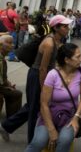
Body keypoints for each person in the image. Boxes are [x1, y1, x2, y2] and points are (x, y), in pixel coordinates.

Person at [0, 15, 71, 143]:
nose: (68, 29)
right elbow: (43, 68)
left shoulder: (57, 41)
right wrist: (45, 87)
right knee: (35, 110)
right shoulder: (49, 43)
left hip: (43, 76)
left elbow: (52, 64)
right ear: (56, 27)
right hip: (37, 76)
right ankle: (32, 142)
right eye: (65, 26)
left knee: (32, 106)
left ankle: (6, 126)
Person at [25, 43, 81, 152]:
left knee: (65, 140)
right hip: (49, 115)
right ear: (67, 60)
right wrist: (51, 129)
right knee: (39, 142)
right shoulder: (53, 74)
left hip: (69, 116)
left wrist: (76, 117)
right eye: (78, 57)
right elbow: (44, 104)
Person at [0, 35, 22, 141]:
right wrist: (5, 87)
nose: (12, 45)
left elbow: (3, 77)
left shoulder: (2, 58)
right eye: (9, 43)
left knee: (16, 93)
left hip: (1, 86)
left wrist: (8, 85)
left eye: (12, 42)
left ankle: (12, 120)